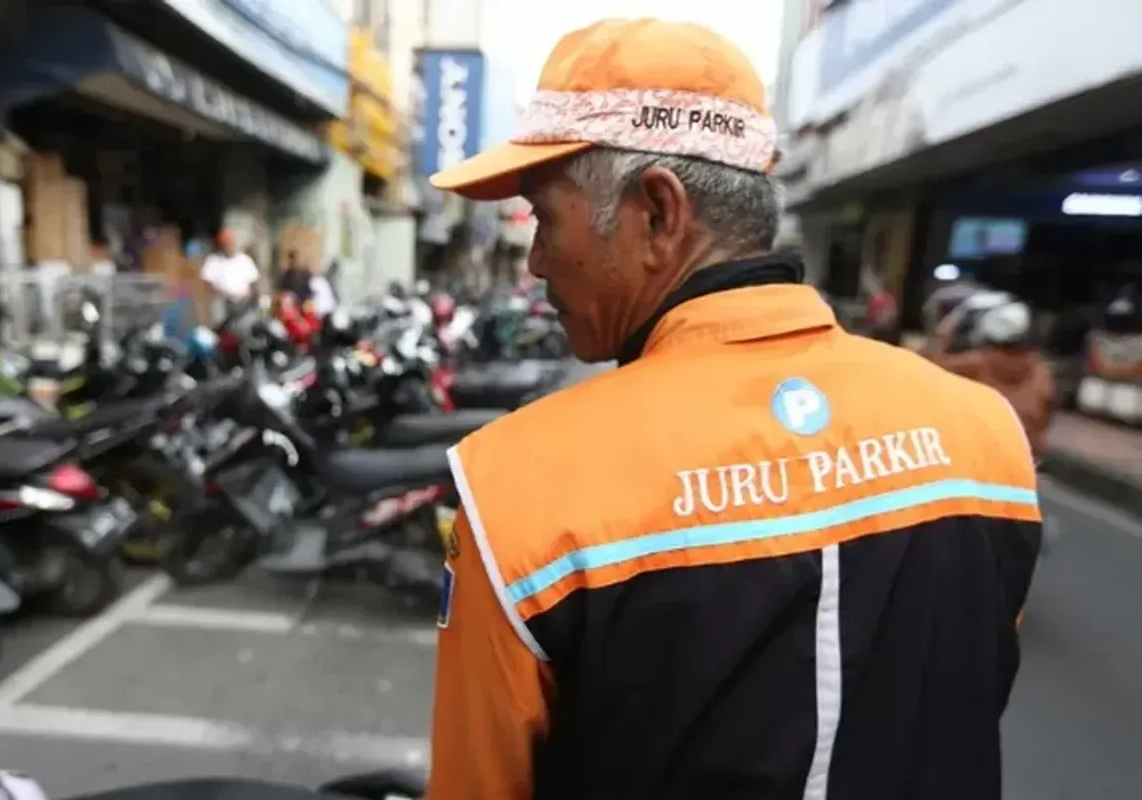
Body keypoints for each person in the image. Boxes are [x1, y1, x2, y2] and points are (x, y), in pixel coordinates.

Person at [425, 18, 1042, 799]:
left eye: (545, 218)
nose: (537, 260)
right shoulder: (986, 435)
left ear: (657, 212)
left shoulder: (513, 487)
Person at [932, 291, 1055, 458]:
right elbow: (1045, 416)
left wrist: (944, 334)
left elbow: (924, 370)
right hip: (1023, 455)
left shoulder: (976, 362)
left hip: (979, 451)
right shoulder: (1041, 370)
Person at [200, 229, 259, 322]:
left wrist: (249, 298)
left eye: (229, 243)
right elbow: (207, 285)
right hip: (222, 303)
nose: (227, 246)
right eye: (225, 244)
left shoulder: (245, 260)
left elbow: (254, 284)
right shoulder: (213, 261)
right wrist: (223, 293)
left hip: (243, 303)